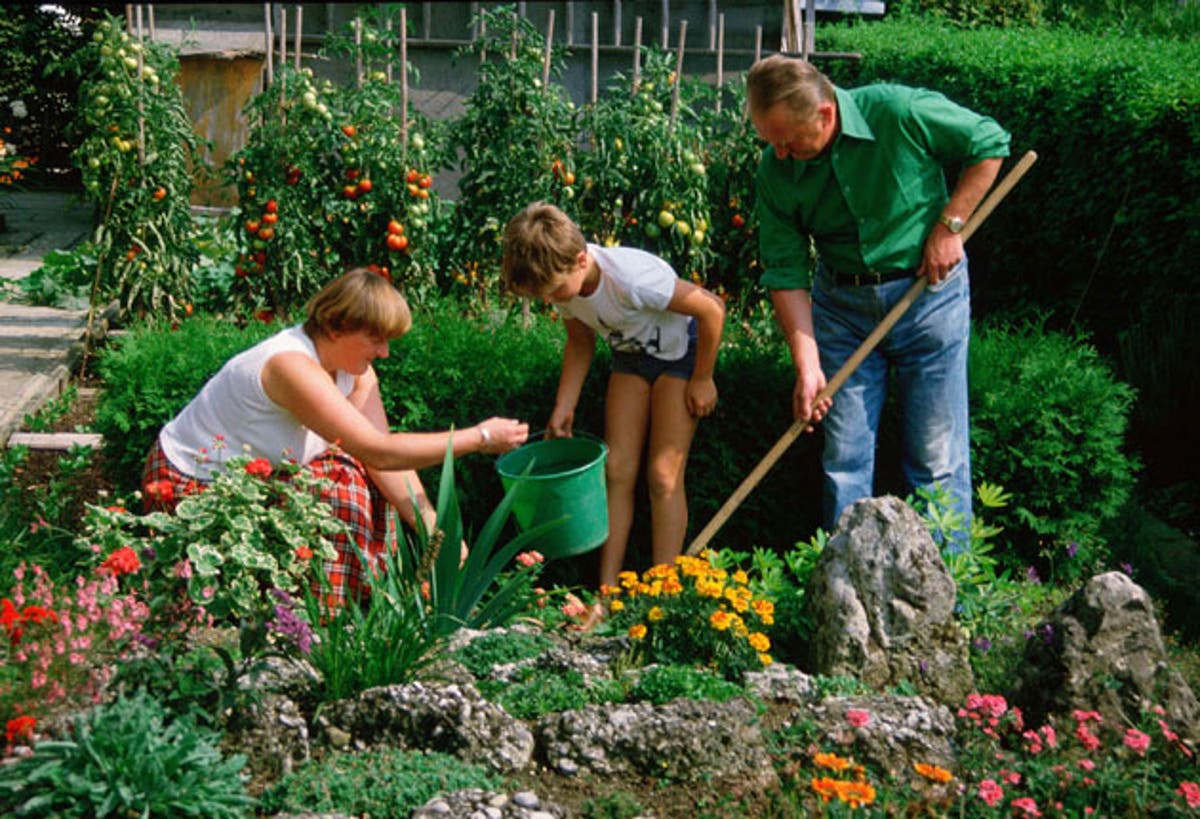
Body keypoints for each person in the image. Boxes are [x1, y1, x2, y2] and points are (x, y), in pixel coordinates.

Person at [142, 267, 529, 605]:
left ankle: (352, 612)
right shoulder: (290, 365)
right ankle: (308, 623)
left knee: (353, 482)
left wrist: (434, 529)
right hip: (195, 484)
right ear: (335, 326)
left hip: (257, 474)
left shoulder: (355, 374)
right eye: (376, 339)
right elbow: (378, 451)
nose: (385, 353)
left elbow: (386, 460)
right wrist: (480, 437)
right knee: (341, 488)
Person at [745, 55, 1011, 548]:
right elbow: (785, 270)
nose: (778, 153)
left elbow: (989, 141)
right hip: (842, 313)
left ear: (825, 114)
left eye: (788, 140)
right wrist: (808, 367)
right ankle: (846, 599)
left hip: (927, 299)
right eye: (771, 141)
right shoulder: (775, 168)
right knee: (843, 457)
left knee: (936, 458)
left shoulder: (897, 111)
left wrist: (951, 226)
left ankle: (953, 601)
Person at [501, 202, 726, 618]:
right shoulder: (565, 281)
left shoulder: (633, 278)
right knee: (616, 470)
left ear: (581, 259)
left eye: (555, 291)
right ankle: (605, 596)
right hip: (630, 358)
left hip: (680, 357)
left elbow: (711, 307)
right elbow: (581, 342)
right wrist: (563, 405)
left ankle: (663, 596)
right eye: (545, 295)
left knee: (662, 475)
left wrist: (703, 377)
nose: (552, 300)